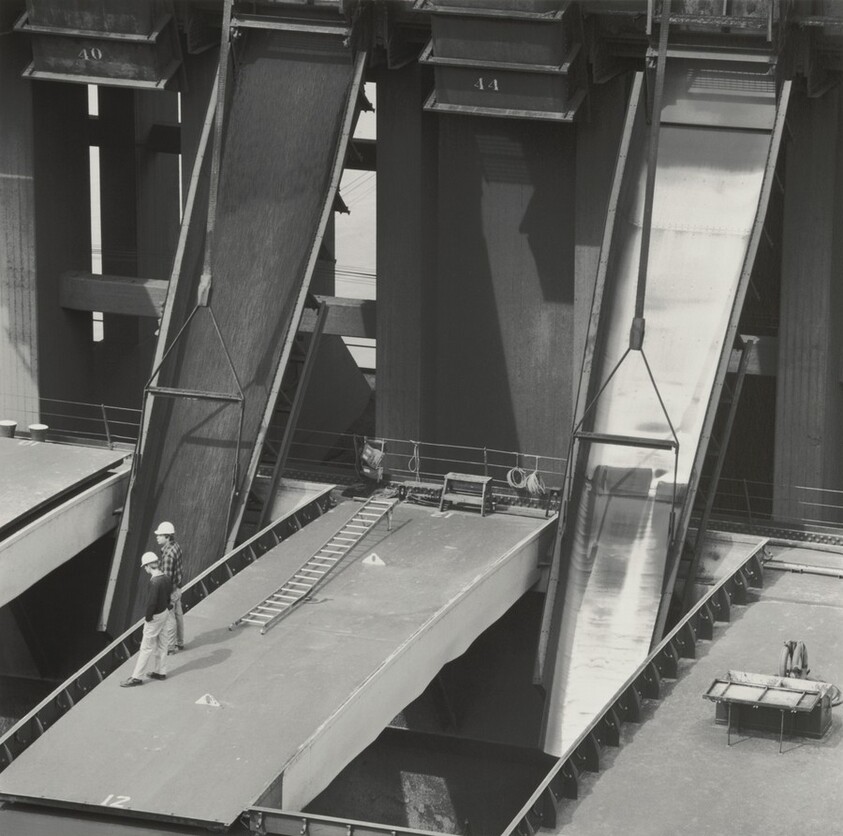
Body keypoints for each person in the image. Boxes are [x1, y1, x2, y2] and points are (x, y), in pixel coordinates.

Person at [120, 552, 172, 687]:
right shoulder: (166, 577)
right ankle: (161, 671)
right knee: (162, 643)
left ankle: (136, 677)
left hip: (155, 617)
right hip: (165, 613)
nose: (145, 569)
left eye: (145, 566)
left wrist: (148, 618)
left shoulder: (154, 582)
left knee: (146, 647)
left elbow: (151, 603)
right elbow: (168, 596)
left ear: (149, 565)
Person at [155, 520, 185, 653]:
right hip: (178, 587)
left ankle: (170, 647)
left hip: (171, 591)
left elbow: (167, 580)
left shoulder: (167, 556)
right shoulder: (176, 546)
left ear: (167, 537)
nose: (157, 537)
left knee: (170, 618)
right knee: (179, 615)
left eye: (160, 535)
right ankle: (180, 642)